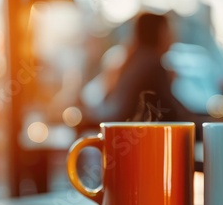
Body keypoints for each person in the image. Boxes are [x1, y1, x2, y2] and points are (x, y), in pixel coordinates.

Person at [79, 13, 210, 138]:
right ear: (158, 33)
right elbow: (171, 113)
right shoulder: (152, 65)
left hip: (119, 133)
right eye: (169, 31)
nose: (173, 37)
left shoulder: (136, 60)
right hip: (133, 138)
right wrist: (207, 128)